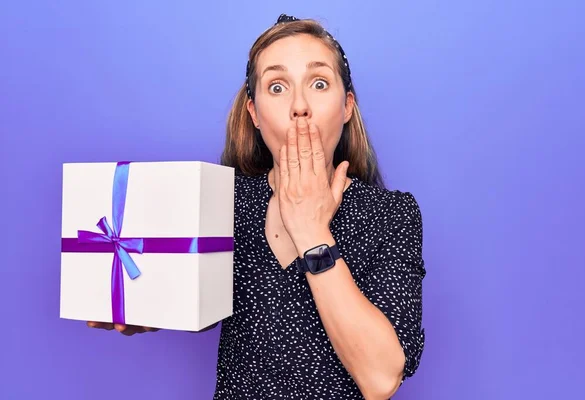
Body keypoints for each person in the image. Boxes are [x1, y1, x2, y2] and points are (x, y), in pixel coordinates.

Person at [88, 14, 426, 399]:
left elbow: (381, 378)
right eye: (277, 86)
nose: (300, 105)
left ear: (347, 106)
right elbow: (201, 304)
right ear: (255, 114)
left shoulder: (391, 215)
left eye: (318, 83)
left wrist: (311, 230)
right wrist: (146, 310)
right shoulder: (225, 202)